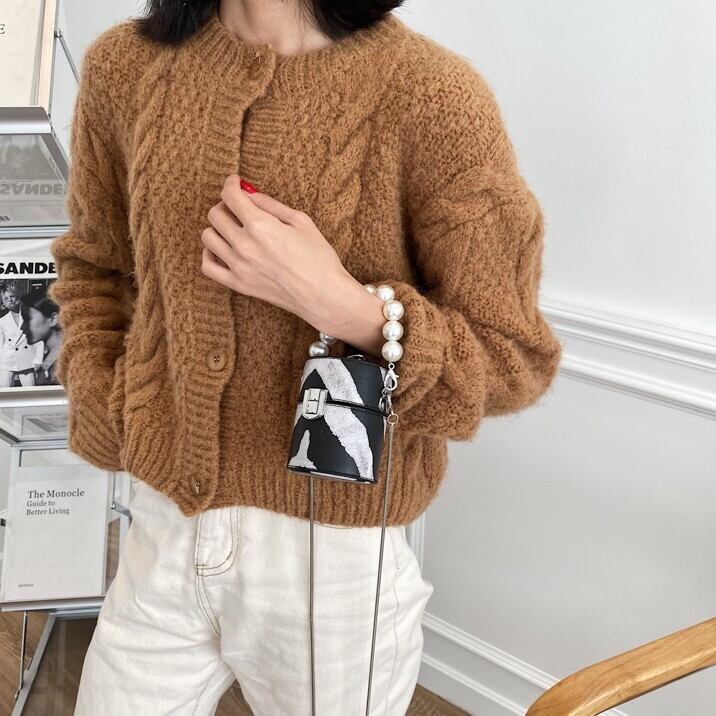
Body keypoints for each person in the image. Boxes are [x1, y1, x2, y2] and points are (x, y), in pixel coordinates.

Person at [48, 0, 563, 713]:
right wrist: (110, 412)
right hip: (162, 525)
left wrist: (345, 307)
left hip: (334, 558)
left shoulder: (433, 96)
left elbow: (512, 357)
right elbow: (95, 268)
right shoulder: (124, 68)